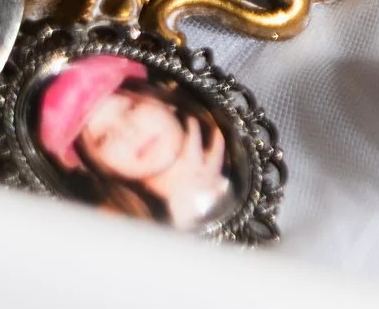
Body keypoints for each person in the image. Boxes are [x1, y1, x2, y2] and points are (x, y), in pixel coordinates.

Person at [32, 54, 237, 232]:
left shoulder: (237, 136)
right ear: (96, 168)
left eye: (130, 108)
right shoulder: (110, 231)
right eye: (104, 137)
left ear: (163, 99)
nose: (128, 132)